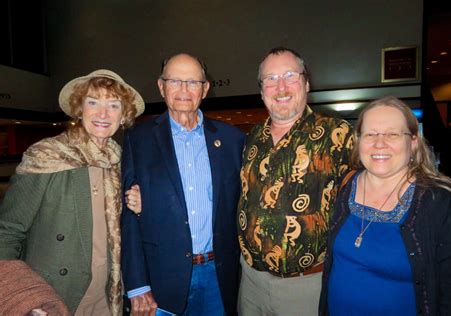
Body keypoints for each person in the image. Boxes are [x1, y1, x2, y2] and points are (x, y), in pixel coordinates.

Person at [0, 69, 145, 315]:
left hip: (106, 298)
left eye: (113, 105)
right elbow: (8, 233)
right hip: (53, 298)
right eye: (93, 102)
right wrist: (20, 298)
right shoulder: (46, 156)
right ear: (79, 109)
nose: (103, 113)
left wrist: (140, 209)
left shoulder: (120, 163)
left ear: (124, 116)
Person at [319, 96, 451, 315]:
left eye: (392, 134)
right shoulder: (345, 187)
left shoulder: (447, 208)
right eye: (370, 134)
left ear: (412, 142)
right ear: (358, 140)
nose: (379, 143)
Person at [121, 53, 245, 316]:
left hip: (219, 277)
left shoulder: (232, 140)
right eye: (175, 81)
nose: (184, 90)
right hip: (160, 279)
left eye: (193, 82)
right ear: (161, 86)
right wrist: (137, 285)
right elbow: (128, 219)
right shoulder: (138, 139)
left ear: (205, 88)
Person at [237, 47, 353, 315]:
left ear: (306, 82)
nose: (281, 86)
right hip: (250, 280)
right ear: (261, 89)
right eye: (270, 78)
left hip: (305, 286)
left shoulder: (338, 134)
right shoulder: (252, 137)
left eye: (290, 75)